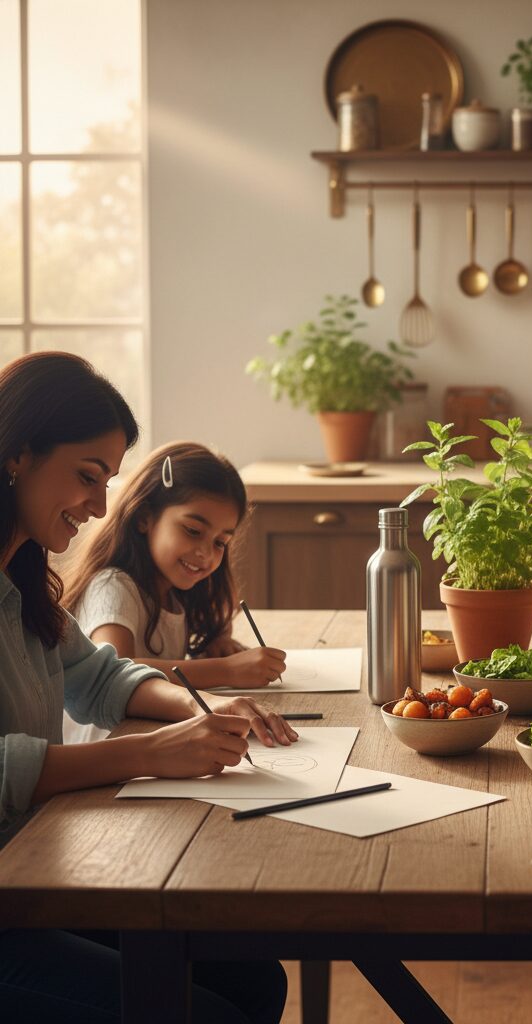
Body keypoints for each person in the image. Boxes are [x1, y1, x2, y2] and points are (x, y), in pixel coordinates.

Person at [0, 352, 291, 1023]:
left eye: (107, 481)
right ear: (16, 453)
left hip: (30, 876)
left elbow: (100, 675)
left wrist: (204, 707)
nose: (99, 504)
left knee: (256, 982)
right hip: (11, 903)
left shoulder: (23, 582)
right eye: (86, 476)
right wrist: (149, 752)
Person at [60, 441, 286, 743]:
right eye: (193, 530)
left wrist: (212, 648)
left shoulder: (176, 593)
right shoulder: (113, 585)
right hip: (106, 757)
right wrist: (226, 670)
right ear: (144, 517)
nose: (206, 553)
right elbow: (118, 669)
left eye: (220, 542)